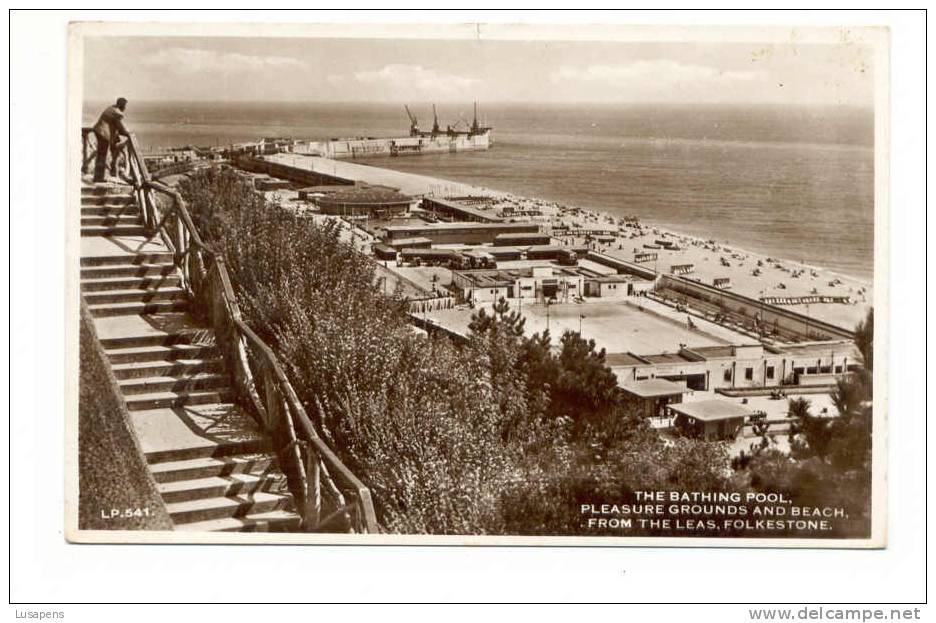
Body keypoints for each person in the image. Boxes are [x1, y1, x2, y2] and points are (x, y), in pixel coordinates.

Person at [91, 97, 130, 183]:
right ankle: (99, 177)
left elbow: (115, 125)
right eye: (124, 106)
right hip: (103, 133)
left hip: (98, 131)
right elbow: (120, 127)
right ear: (121, 105)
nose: (125, 108)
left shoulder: (111, 108)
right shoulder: (117, 113)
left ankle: (98, 176)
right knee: (102, 155)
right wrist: (128, 133)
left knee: (101, 154)